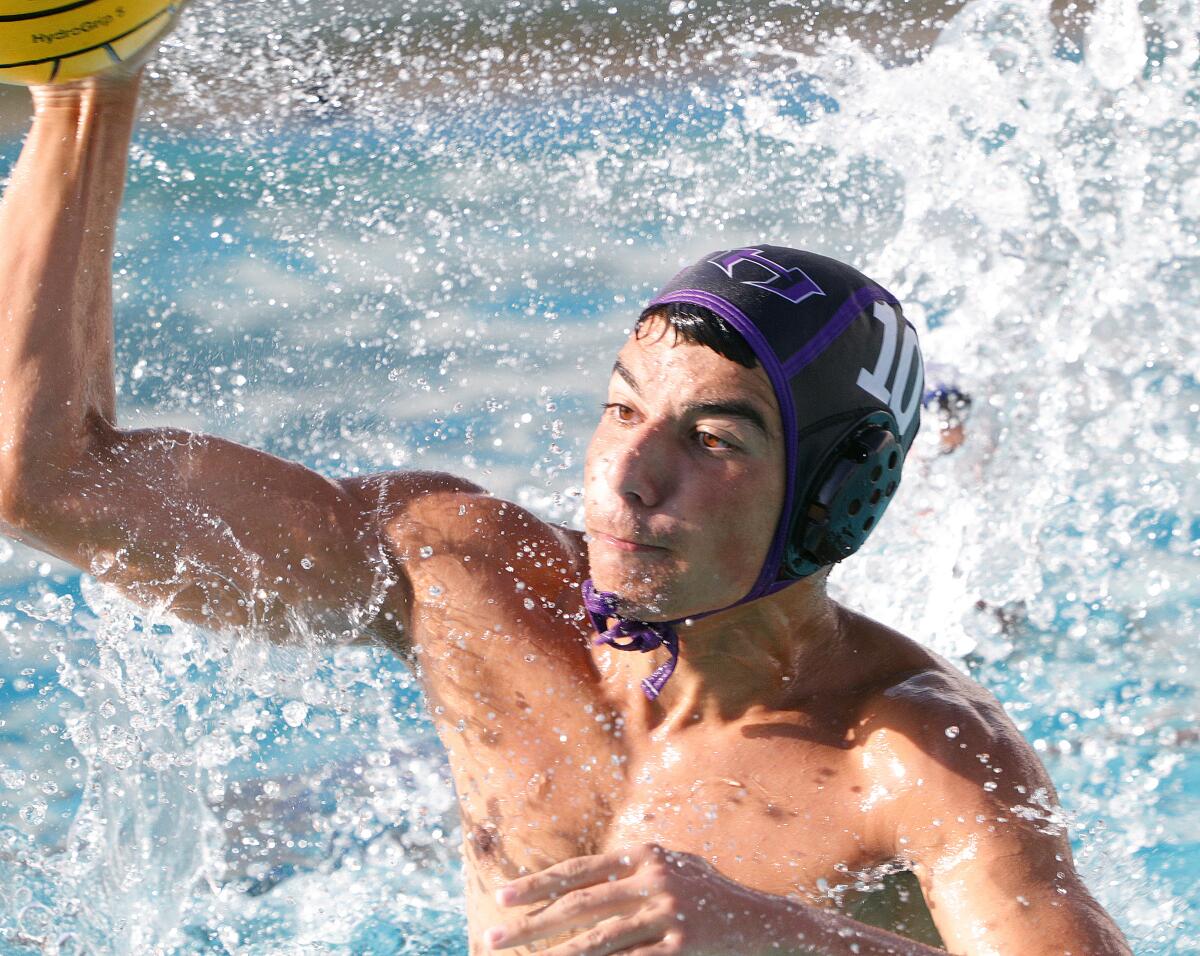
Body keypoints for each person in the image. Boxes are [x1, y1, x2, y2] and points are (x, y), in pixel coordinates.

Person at [0, 34, 1130, 956]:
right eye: (621, 406)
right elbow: (48, 478)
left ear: (830, 501)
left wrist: (790, 937)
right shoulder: (467, 581)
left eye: (714, 437)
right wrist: (88, 86)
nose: (628, 473)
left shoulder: (914, 760)